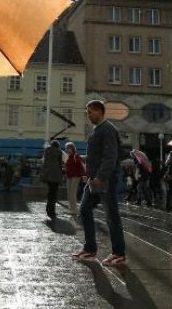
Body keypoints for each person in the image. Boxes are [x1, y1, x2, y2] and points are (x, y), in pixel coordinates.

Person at [73, 100, 126, 266]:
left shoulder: (107, 129)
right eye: (87, 112)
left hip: (104, 180)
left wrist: (101, 177)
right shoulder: (97, 130)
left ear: (100, 111)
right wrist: (84, 159)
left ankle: (119, 253)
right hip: (94, 180)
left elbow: (110, 156)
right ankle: (90, 248)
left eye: (90, 112)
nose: (88, 115)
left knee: (112, 216)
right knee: (84, 210)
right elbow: (98, 155)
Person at [41, 140, 64, 218]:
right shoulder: (59, 152)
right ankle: (52, 211)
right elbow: (60, 164)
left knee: (50, 192)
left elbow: (44, 162)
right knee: (54, 193)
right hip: (56, 174)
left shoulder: (47, 151)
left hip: (48, 174)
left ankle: (48, 208)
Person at [65, 142, 86, 215]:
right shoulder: (68, 157)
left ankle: (75, 209)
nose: (67, 150)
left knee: (73, 193)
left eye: (69, 148)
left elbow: (81, 166)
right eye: (67, 148)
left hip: (75, 176)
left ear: (73, 148)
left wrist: (83, 175)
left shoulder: (76, 156)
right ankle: (71, 209)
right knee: (69, 193)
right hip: (69, 177)